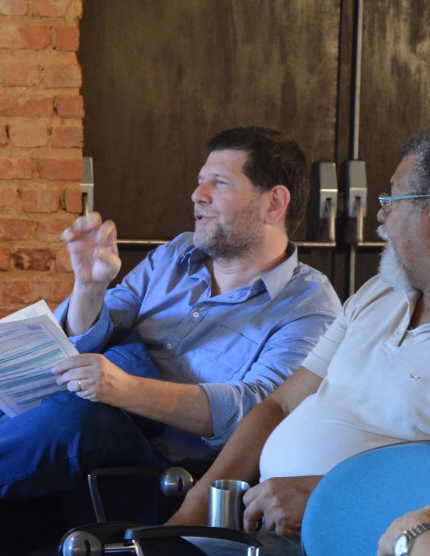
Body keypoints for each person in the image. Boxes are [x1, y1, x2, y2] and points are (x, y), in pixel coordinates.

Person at [0, 126, 340, 554]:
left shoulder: (309, 306)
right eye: (200, 181)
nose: (197, 195)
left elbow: (251, 408)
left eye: (218, 183)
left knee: (82, 413)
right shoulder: (175, 254)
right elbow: (99, 327)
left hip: (166, 474)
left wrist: (122, 390)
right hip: (75, 448)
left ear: (273, 202)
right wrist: (89, 286)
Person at [168, 128, 430, 556]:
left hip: (354, 538)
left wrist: (331, 497)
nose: (379, 216)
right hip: (262, 524)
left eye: (392, 200)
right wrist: (193, 510)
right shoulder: (379, 293)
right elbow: (280, 405)